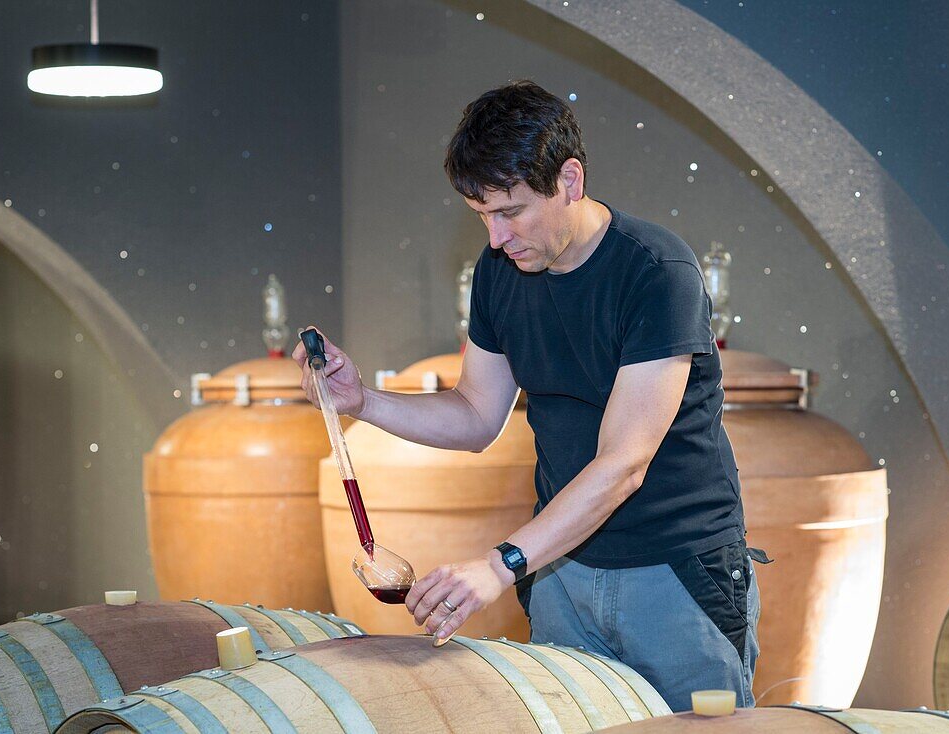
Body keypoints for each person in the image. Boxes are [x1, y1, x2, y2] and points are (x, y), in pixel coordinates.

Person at [294, 80, 766, 712]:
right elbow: (475, 415)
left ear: (569, 180)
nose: (495, 237)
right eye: (481, 215)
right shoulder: (501, 273)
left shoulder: (656, 272)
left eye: (510, 211)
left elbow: (622, 465)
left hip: (676, 574)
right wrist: (362, 403)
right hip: (560, 574)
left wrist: (498, 565)